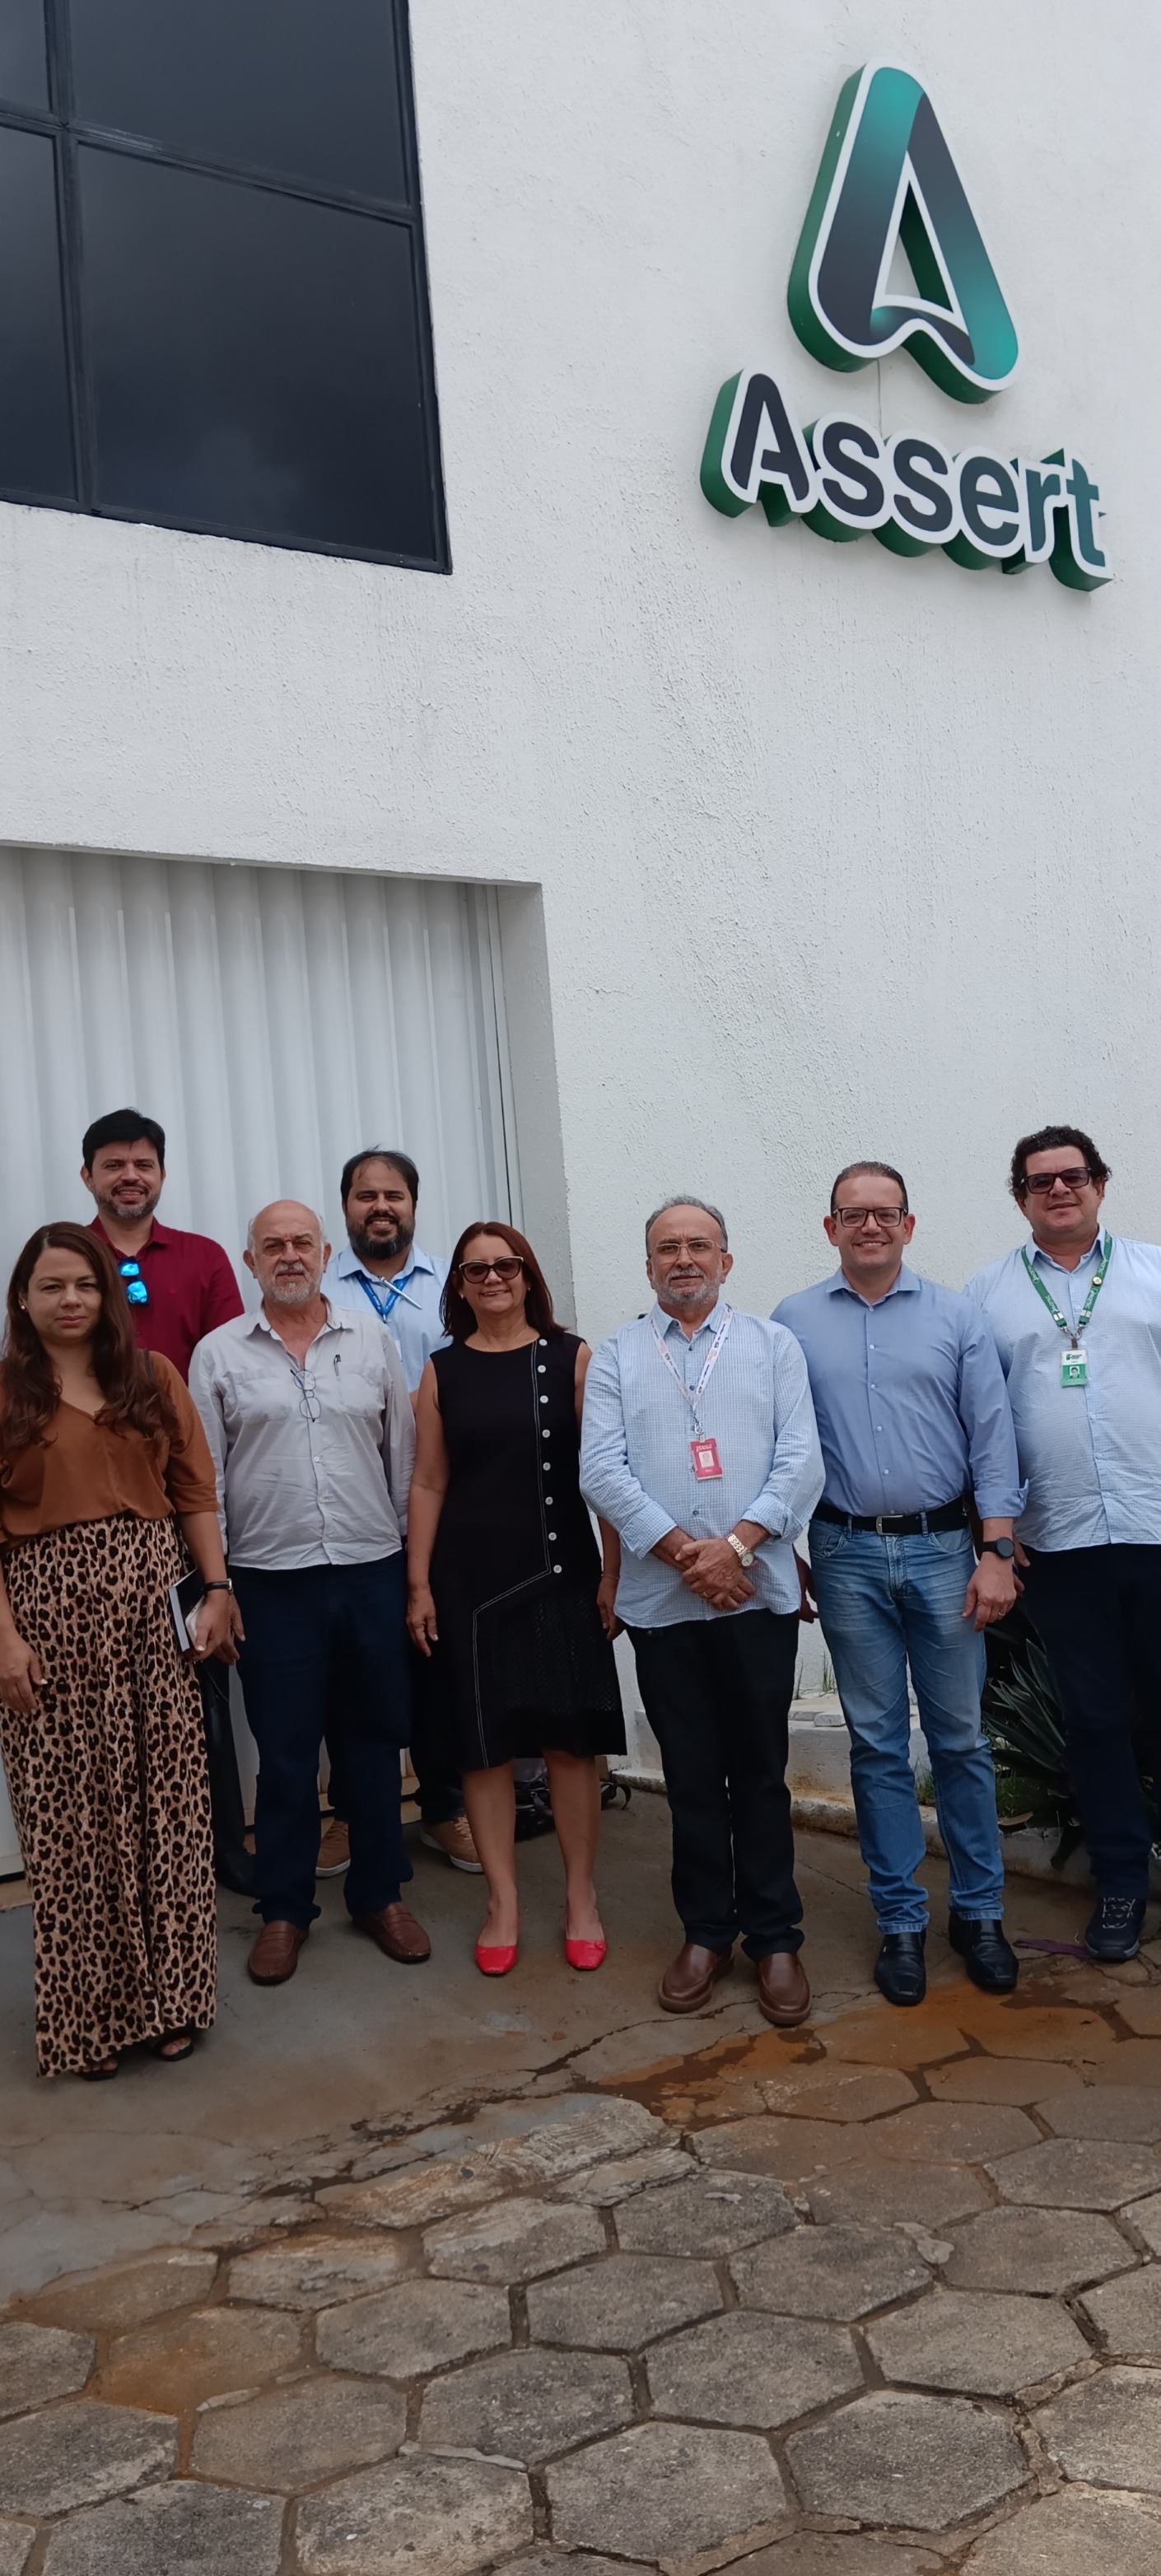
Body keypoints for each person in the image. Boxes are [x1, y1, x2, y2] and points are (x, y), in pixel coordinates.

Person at [775, 1164, 1023, 2009]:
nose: (870, 1226)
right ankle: (902, 1922)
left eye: (886, 1213)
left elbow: (992, 1437)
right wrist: (781, 1548)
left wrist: (998, 1550)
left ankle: (980, 1914)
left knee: (961, 1741)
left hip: (946, 1550)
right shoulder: (793, 1321)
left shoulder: (957, 1316)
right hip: (844, 1552)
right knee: (877, 1746)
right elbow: (779, 1443)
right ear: (830, 1226)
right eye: (854, 1214)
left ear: (909, 1225)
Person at [0, 1225, 235, 2079]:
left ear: (109, 1295)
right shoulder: (5, 1393)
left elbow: (194, 1492)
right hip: (47, 1623)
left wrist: (218, 1590)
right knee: (69, 1819)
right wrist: (4, 1641)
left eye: (86, 1284)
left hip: (150, 1613)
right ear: (23, 1299)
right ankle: (90, 2019)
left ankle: (172, 2002)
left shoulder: (152, 1377)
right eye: (51, 1285)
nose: (70, 1300)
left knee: (166, 1808)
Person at [581, 1199, 823, 2026]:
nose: (683, 1258)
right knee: (689, 1775)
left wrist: (739, 1547)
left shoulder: (772, 1345)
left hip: (757, 1594)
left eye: (699, 1245)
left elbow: (801, 1458)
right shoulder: (617, 1355)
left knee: (759, 1770)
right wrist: (691, 1554)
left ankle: (775, 1936)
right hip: (664, 1601)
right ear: (648, 1264)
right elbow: (600, 1470)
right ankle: (706, 1932)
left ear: (726, 1259)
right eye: (667, 1247)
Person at [190, 1201, 427, 1986]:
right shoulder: (218, 1354)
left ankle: (380, 1895)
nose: (289, 1255)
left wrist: (410, 1574)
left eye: (301, 1243)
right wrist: (220, 1585)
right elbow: (205, 1483)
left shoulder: (372, 1340)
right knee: (287, 1755)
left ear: (326, 1254)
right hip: (270, 1580)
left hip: (368, 1570)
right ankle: (285, 1910)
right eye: (273, 1246)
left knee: (374, 1743)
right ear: (250, 1261)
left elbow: (402, 1461)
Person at [407, 1222, 624, 1976]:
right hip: (468, 1582)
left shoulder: (572, 1358)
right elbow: (428, 1481)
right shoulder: (441, 1371)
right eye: (477, 1270)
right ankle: (502, 1901)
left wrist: (612, 1571)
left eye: (506, 1266)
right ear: (459, 1286)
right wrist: (418, 1584)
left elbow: (603, 1474)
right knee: (486, 1746)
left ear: (529, 1276)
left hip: (561, 1573)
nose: (494, 1278)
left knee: (569, 1742)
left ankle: (580, 1896)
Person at [966, 1125, 1161, 1962]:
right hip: (1060, 1539)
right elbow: (980, 1424)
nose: (1059, 1190)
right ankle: (1120, 1881)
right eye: (1040, 1180)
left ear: (1100, 1184)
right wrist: (995, 1534)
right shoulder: (987, 1296)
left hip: (1156, 1526)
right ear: (1021, 1197)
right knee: (1093, 1717)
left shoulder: (1154, 1273)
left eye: (1073, 1176)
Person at [82, 1107, 252, 1896]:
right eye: (114, 1164)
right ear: (88, 1175)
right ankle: (132, 1861)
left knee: (203, 1676)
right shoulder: (67, 1257)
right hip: (98, 1509)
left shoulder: (202, 1258)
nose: (130, 1176)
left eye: (142, 1164)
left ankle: (221, 1849)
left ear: (160, 1173)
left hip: (189, 1500)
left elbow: (231, 1370)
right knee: (111, 1699)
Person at [320, 1149, 477, 1878]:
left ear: (414, 1205)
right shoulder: (319, 1291)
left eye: (394, 1195)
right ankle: (353, 1813)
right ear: (346, 1207)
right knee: (353, 1667)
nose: (380, 1207)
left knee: (437, 1659)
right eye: (365, 1196)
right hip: (350, 1505)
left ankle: (443, 1806)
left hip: (447, 1500)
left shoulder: (458, 1284)